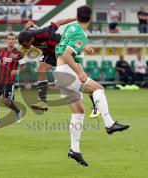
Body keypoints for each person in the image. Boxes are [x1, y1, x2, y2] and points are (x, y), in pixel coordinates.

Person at [54, 5, 130, 166]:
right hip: (67, 72)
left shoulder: (70, 27)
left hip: (59, 73)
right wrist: (80, 73)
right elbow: (67, 55)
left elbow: (66, 49)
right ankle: (109, 123)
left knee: (79, 112)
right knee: (99, 89)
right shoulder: (81, 33)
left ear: (77, 15)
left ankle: (74, 150)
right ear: (90, 17)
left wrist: (82, 48)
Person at [18, 18, 99, 119]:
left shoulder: (44, 32)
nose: (26, 47)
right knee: (41, 70)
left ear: (31, 39)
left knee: (81, 77)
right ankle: (42, 101)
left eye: (26, 44)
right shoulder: (26, 35)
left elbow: (59, 22)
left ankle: (96, 103)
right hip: (50, 53)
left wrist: (76, 18)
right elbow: (29, 24)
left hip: (63, 51)